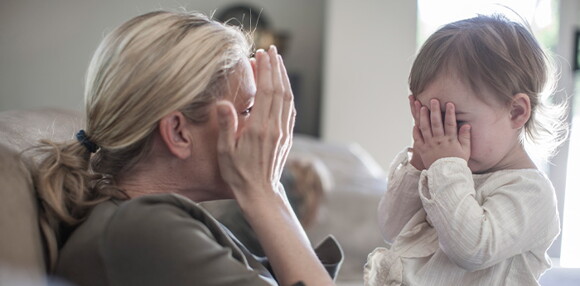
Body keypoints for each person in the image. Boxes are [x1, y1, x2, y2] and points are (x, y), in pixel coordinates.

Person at [33, 10, 341, 286]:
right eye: (247, 109)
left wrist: (269, 189)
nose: (264, 127)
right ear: (179, 132)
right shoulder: (143, 231)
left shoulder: (151, 221)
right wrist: (265, 192)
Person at [364, 14, 567, 285]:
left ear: (516, 112)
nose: (439, 135)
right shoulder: (442, 170)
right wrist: (418, 165)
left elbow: (472, 249)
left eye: (454, 121)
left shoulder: (531, 192)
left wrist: (446, 167)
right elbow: (393, 228)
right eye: (429, 119)